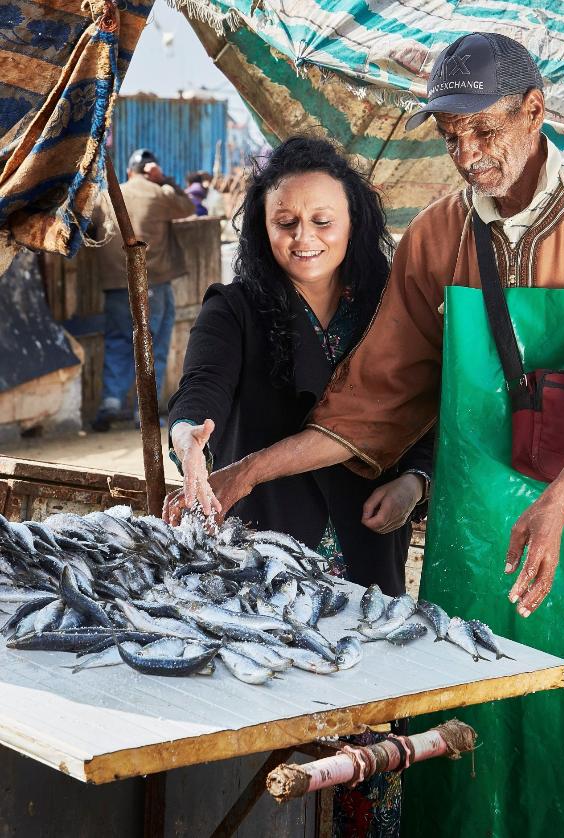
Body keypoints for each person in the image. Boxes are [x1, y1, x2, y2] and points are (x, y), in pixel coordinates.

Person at [194, 34, 564, 837]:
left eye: (485, 130)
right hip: (473, 532)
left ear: (536, 112)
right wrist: (247, 472)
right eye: (451, 135)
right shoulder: (435, 237)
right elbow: (371, 403)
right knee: (470, 732)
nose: (468, 153)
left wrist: (559, 505)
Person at [163, 137, 434, 836]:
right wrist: (189, 436)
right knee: (270, 754)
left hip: (369, 552)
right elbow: (200, 390)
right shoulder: (237, 308)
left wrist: (414, 481)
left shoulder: (394, 306)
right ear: (261, 225)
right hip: (263, 565)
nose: (304, 238)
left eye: (323, 221)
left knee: (369, 746)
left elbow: (430, 411)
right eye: (286, 223)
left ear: (354, 223)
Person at [91, 149, 194, 431]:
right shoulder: (159, 194)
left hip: (115, 285)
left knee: (117, 341)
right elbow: (189, 207)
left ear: (128, 171)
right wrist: (167, 181)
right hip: (153, 283)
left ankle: (110, 402)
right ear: (152, 171)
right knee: (153, 346)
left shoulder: (106, 196)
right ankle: (143, 413)